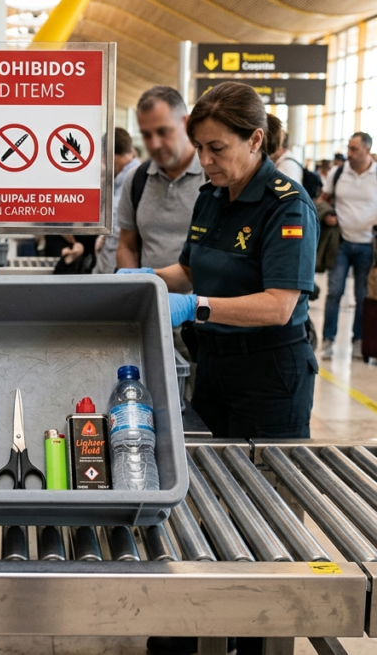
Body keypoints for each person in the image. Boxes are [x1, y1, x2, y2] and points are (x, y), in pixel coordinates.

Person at [128, 81, 319, 441]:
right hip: (213, 368)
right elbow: (188, 271)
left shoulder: (286, 206)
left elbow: (279, 306)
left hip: (269, 374)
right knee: (209, 474)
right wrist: (145, 279)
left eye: (216, 148)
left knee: (261, 485)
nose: (204, 161)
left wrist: (194, 307)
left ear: (255, 140)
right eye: (199, 147)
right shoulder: (212, 197)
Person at [316, 132, 377, 360]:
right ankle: (328, 339)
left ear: (367, 150)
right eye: (349, 148)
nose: (349, 153)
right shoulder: (338, 173)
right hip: (342, 243)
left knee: (363, 295)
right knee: (334, 292)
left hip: (369, 245)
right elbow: (322, 200)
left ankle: (358, 339)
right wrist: (327, 216)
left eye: (354, 149)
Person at [115, 86, 205, 277]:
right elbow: (127, 245)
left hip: (205, 303)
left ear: (187, 124)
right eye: (146, 135)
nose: (154, 144)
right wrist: (134, 289)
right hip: (152, 301)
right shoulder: (137, 179)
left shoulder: (213, 177)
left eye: (163, 131)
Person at [94, 127, 140, 274]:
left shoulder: (133, 181)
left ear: (109, 157)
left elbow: (116, 242)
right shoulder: (120, 180)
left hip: (114, 274)